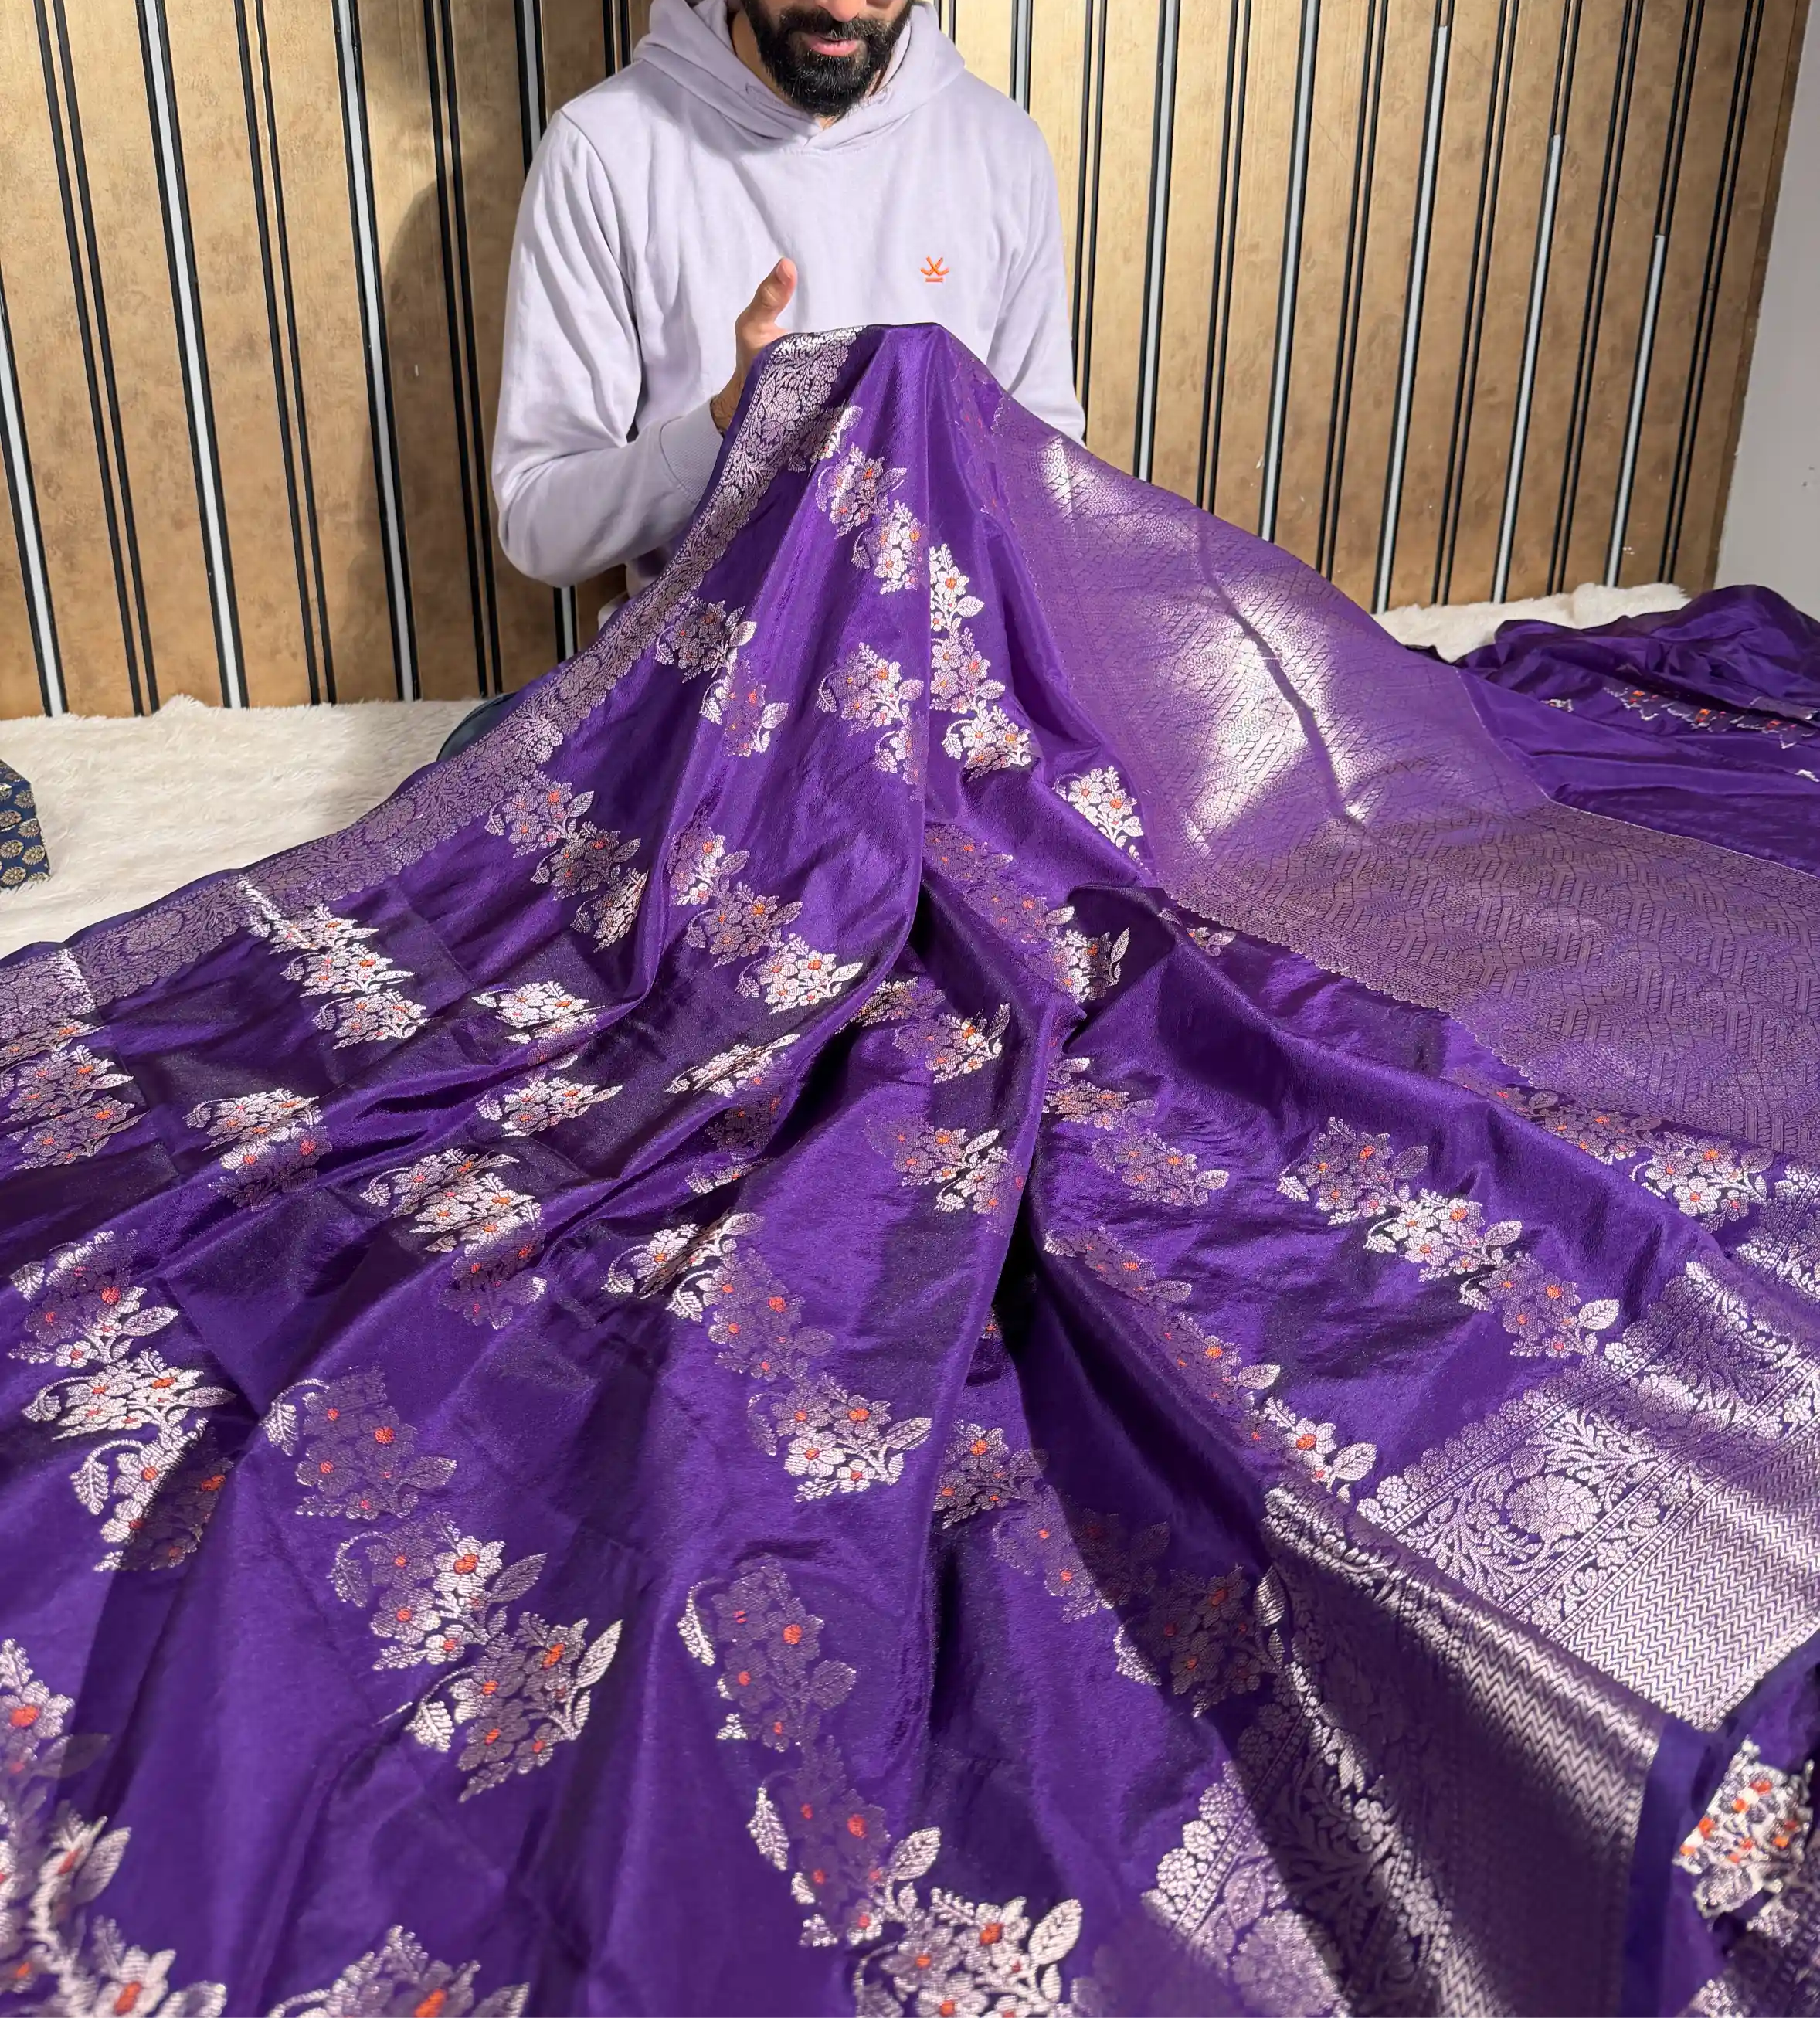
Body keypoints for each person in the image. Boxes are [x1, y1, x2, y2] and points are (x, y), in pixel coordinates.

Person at [4, 319, 1820, 2016]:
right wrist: (729, 433)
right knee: (551, 859)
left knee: (1135, 824)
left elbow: (1038, 473)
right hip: (712, 667)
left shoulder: (979, 158)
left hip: (968, 669)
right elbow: (543, 516)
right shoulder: (620, 157)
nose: (850, 11)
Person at [440, 0, 1082, 760]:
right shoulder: (604, 152)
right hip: (700, 706)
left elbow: (1051, 490)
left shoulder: (998, 151)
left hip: (934, 699)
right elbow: (540, 522)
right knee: (477, 781)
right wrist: (727, 425)